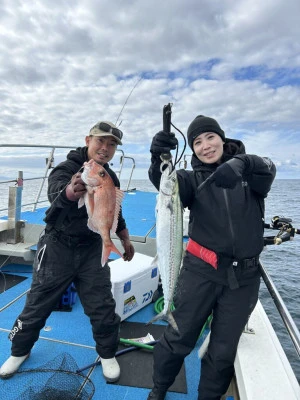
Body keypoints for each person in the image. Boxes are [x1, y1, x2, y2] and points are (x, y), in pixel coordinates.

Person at [147, 115, 276, 400]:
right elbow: (164, 181)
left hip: (243, 279)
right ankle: (159, 388)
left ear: (222, 138)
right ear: (192, 150)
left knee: (222, 351)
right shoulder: (189, 180)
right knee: (178, 338)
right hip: (200, 272)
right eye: (197, 142)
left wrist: (243, 163)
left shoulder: (251, 176)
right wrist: (157, 158)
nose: (205, 146)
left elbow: (268, 168)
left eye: (210, 137)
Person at [0, 121, 135, 382]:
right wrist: (72, 190)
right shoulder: (67, 168)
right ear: (88, 140)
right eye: (100, 141)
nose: (105, 149)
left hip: (93, 247)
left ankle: (107, 354)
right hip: (58, 245)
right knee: (38, 301)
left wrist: (125, 240)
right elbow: (56, 193)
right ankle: (20, 351)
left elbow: (114, 213)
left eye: (112, 144)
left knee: (102, 304)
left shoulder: (110, 177)